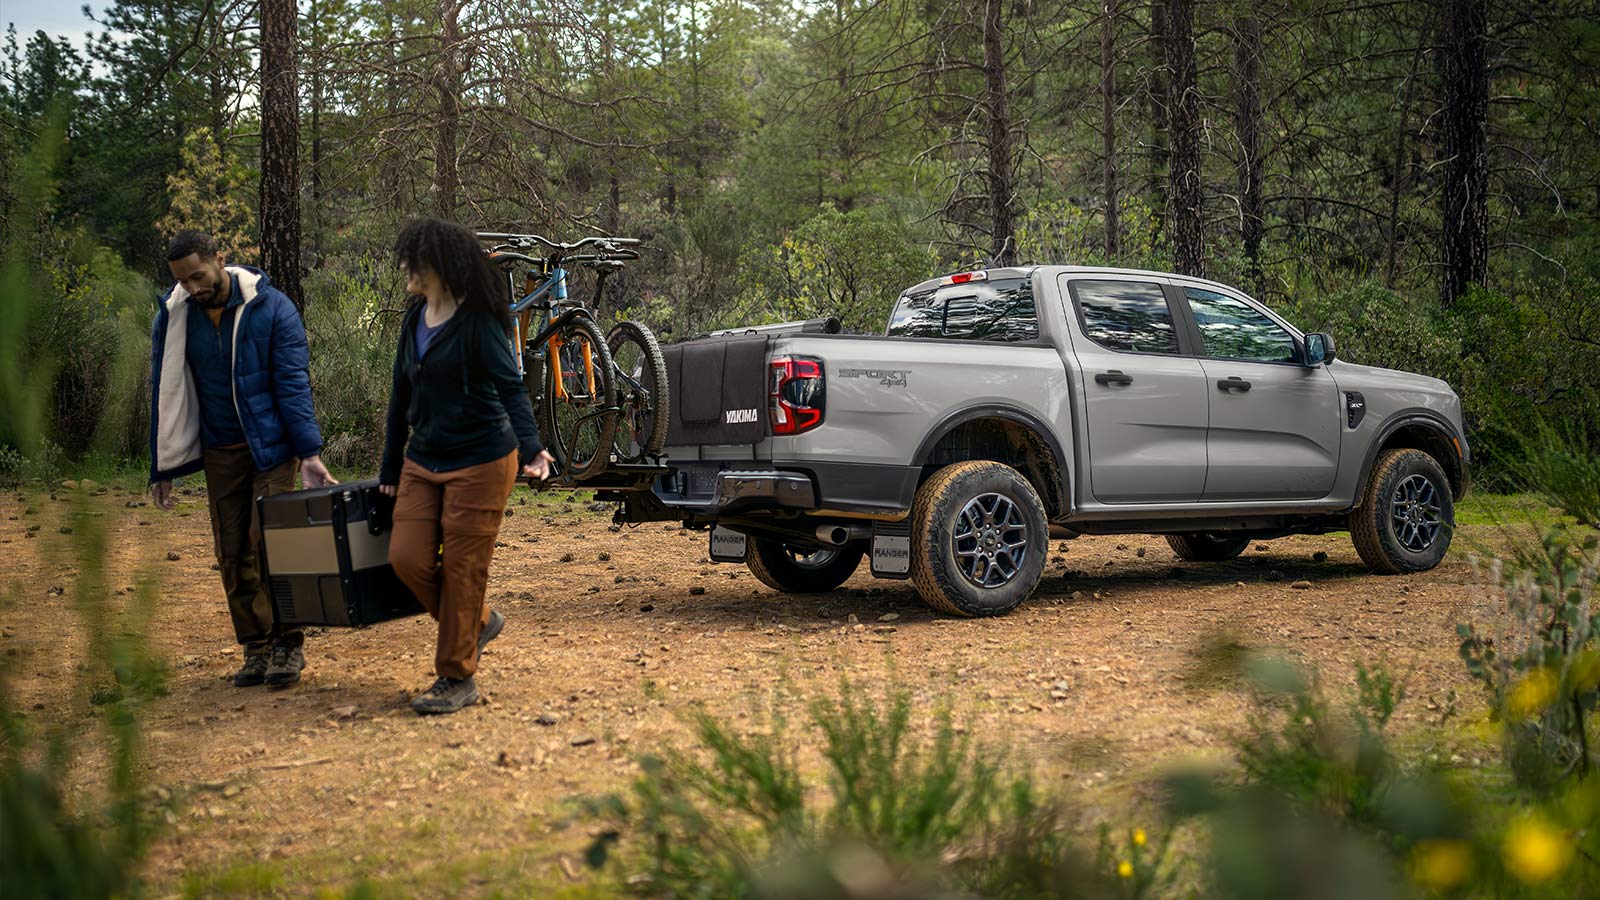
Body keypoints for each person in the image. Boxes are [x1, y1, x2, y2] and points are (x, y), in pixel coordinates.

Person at [380, 217, 555, 715]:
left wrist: (532, 448)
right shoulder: (415, 317)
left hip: (481, 460)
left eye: (413, 261)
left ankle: (456, 677)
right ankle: (477, 621)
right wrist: (391, 466)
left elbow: (510, 387)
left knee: (461, 570)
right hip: (424, 457)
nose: (406, 268)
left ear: (438, 265)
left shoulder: (478, 320)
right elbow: (400, 395)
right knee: (407, 559)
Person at [149, 230, 337, 687]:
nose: (192, 287)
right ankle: (256, 646)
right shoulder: (176, 316)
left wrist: (309, 454)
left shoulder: (272, 308)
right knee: (232, 551)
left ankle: (288, 643)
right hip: (221, 451)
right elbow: (166, 389)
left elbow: (293, 385)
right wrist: (163, 464)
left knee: (270, 542)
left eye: (198, 276)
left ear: (220, 258)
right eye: (182, 281)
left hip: (273, 450)